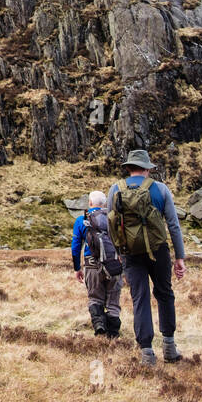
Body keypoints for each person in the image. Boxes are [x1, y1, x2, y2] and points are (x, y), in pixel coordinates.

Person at [107, 149, 187, 366]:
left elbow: (110, 225)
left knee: (140, 298)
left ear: (129, 167)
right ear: (147, 169)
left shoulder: (115, 189)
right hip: (158, 250)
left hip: (130, 253)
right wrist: (180, 257)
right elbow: (173, 225)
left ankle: (146, 353)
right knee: (164, 294)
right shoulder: (160, 189)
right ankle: (169, 347)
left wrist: (118, 252)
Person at [72, 189, 122, 338]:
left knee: (95, 298)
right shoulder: (114, 218)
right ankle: (113, 334)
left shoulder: (81, 220)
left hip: (91, 264)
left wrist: (77, 268)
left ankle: (99, 325)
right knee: (113, 301)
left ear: (90, 203)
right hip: (113, 264)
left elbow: (75, 247)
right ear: (105, 204)